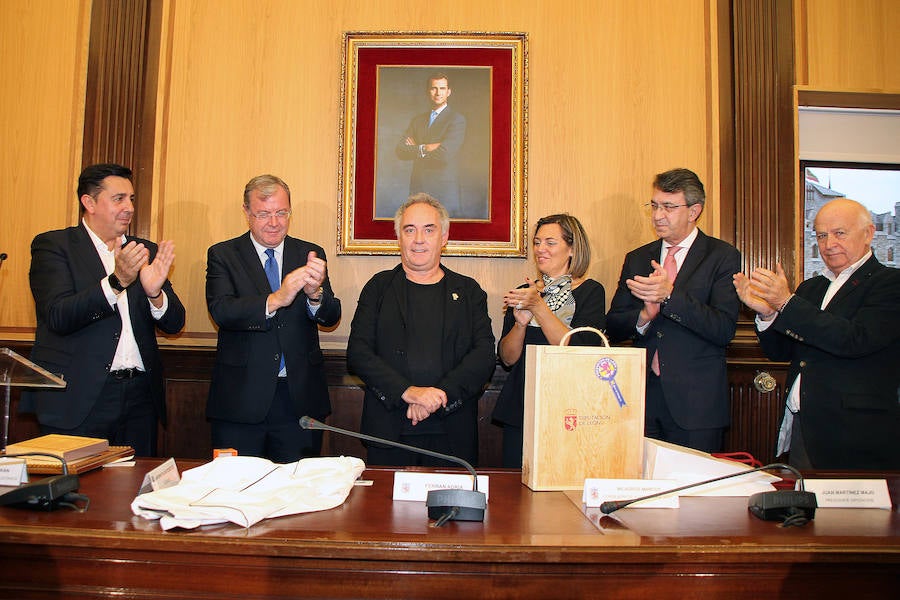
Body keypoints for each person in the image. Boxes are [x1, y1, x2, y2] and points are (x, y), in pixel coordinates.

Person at [24, 163, 185, 456]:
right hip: (80, 397)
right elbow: (58, 315)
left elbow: (175, 324)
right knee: (81, 494)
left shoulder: (142, 249)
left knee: (135, 490)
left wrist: (155, 294)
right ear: (89, 202)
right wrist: (116, 282)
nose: (129, 207)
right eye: (118, 198)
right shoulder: (55, 246)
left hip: (139, 397)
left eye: (131, 199)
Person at [733, 198, 900, 470]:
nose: (828, 244)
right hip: (804, 427)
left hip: (858, 434)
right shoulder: (810, 288)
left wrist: (786, 303)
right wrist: (768, 314)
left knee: (850, 514)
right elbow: (780, 352)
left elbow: (854, 339)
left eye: (839, 233)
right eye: (821, 235)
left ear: (869, 234)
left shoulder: (890, 283)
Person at [347, 193, 495, 467]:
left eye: (429, 230)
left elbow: (484, 356)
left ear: (444, 237)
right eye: (409, 230)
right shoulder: (378, 288)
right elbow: (358, 353)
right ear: (398, 237)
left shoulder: (469, 291)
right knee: (385, 511)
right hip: (390, 429)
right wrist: (409, 391)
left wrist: (436, 396)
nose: (418, 239)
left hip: (452, 431)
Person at [206, 174, 340, 462]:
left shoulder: (308, 253)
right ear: (246, 213)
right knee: (236, 492)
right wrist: (276, 299)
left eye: (282, 213)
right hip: (241, 401)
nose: (274, 222)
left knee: (298, 495)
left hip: (298, 400)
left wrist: (316, 296)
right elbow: (222, 310)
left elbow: (331, 316)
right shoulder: (223, 255)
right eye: (264, 214)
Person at [606, 168, 741, 453]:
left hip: (696, 405)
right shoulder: (638, 257)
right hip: (640, 399)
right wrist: (644, 316)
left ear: (694, 211)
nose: (657, 215)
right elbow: (613, 326)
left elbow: (723, 329)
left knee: (692, 493)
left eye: (668, 207)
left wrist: (670, 296)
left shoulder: (722, 256)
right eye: (654, 206)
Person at [493, 214, 606, 468]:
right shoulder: (525, 290)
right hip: (522, 405)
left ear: (572, 249)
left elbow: (578, 351)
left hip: (569, 408)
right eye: (536, 242)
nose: (540, 249)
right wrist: (520, 324)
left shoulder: (590, 291)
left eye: (550, 242)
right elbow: (508, 359)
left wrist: (539, 308)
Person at [395, 73, 467, 215]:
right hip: (418, 188)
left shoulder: (456, 120)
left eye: (442, 88)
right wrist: (426, 147)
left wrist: (415, 149)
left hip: (443, 191)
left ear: (449, 92)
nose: (438, 93)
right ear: (428, 91)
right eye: (434, 88)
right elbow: (400, 150)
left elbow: (444, 155)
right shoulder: (418, 120)